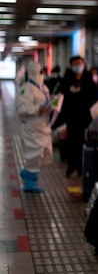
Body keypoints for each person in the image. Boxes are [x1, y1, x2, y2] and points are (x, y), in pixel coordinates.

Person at [55, 56, 98, 178]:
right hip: (71, 117)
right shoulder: (67, 79)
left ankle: (81, 167)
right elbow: (61, 95)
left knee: (83, 141)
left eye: (79, 63)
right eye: (74, 64)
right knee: (71, 142)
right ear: (71, 66)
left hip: (85, 117)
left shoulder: (88, 79)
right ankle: (71, 165)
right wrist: (69, 92)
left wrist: (82, 92)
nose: (77, 66)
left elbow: (94, 97)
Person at [17, 62, 54, 193]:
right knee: (35, 154)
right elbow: (22, 109)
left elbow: (46, 101)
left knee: (45, 153)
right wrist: (39, 109)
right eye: (40, 72)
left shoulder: (43, 88)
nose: (42, 75)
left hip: (44, 126)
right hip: (32, 127)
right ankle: (30, 180)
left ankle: (28, 173)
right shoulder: (26, 88)